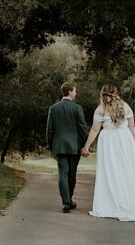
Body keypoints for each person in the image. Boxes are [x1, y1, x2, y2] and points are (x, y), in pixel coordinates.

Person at [81, 84, 135, 222]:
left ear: (102, 93)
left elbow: (95, 129)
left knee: (111, 172)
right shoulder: (125, 106)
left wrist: (86, 147)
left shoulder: (100, 109)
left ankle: (112, 203)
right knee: (127, 171)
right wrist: (133, 144)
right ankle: (132, 202)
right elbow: (132, 126)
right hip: (125, 139)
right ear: (116, 93)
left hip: (109, 142)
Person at [46, 81, 88, 213]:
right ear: (69, 92)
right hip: (75, 146)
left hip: (59, 145)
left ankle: (66, 203)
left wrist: (51, 145)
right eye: (74, 91)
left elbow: (49, 130)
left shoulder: (53, 108)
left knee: (62, 173)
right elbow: (82, 128)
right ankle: (68, 200)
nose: (76, 93)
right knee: (72, 173)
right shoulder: (77, 108)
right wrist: (84, 145)